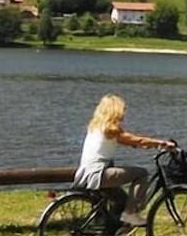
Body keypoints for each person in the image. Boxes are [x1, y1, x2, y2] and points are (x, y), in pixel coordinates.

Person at [73, 93, 174, 227]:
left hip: (87, 174)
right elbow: (138, 139)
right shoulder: (111, 129)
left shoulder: (96, 126)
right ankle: (131, 214)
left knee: (122, 200)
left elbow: (129, 141)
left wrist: (142, 145)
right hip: (98, 174)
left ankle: (104, 234)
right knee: (142, 173)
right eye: (123, 110)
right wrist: (161, 143)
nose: (124, 113)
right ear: (115, 111)